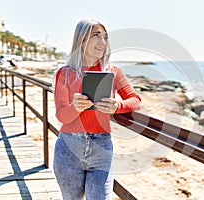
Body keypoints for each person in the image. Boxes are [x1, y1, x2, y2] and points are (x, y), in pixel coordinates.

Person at [53, 19, 141, 200]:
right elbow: (62, 115)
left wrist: (118, 106)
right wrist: (75, 107)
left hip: (101, 148)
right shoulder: (65, 73)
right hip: (68, 148)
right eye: (96, 36)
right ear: (81, 40)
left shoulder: (113, 71)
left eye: (105, 37)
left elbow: (135, 100)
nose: (103, 42)